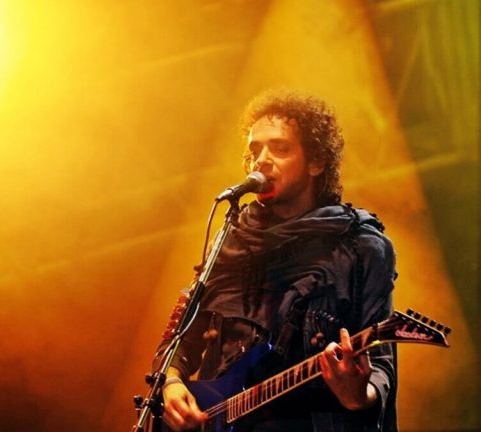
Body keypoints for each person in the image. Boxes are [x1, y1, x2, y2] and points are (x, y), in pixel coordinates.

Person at [154, 90, 397, 431]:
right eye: (255, 150)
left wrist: (359, 396)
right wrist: (172, 382)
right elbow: (182, 333)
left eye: (280, 149)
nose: (261, 161)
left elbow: (381, 366)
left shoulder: (361, 248)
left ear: (316, 161)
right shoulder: (233, 239)